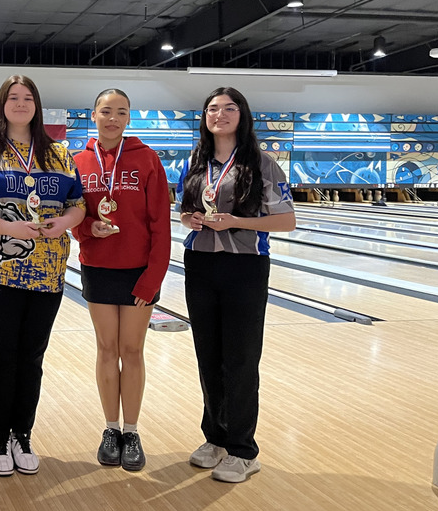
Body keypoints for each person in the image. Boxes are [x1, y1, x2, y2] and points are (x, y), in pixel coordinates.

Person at [0, 75, 85, 477]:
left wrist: (64, 222)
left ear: (37, 105)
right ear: (2, 104)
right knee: (1, 355)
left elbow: (77, 205)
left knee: (32, 358)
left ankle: (21, 435)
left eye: (28, 97)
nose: (21, 103)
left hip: (47, 272)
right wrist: (11, 229)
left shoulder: (60, 155)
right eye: (13, 97)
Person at [178, 86, 295, 483]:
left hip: (245, 267)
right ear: (205, 117)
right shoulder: (196, 162)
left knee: (241, 359)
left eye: (229, 108)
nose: (220, 114)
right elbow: (183, 212)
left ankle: (244, 450)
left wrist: (237, 222)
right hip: (200, 264)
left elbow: (286, 221)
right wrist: (191, 220)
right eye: (213, 108)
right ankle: (215, 438)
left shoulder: (263, 164)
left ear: (242, 115)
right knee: (208, 357)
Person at [72, 88, 171, 472]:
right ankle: (110, 429)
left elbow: (161, 225)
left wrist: (152, 278)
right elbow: (72, 212)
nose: (113, 118)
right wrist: (87, 229)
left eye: (121, 112)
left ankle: (132, 430)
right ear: (93, 115)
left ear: (129, 118)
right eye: (106, 111)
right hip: (97, 267)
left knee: (132, 351)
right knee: (105, 348)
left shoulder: (147, 160)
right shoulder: (79, 160)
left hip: (138, 272)